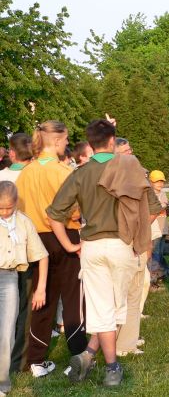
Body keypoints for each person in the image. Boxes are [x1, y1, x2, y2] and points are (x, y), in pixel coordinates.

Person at [47, 119, 162, 386]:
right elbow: (154, 209)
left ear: (90, 144)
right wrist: (138, 233)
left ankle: (88, 354)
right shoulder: (130, 169)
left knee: (103, 309)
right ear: (112, 142)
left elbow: (54, 215)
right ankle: (112, 368)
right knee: (113, 310)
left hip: (91, 246)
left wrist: (69, 245)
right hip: (122, 245)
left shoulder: (80, 172)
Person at [15, 121, 87, 378]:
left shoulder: (26, 173)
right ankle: (78, 355)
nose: (67, 144)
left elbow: (19, 210)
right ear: (57, 141)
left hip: (35, 240)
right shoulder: (63, 171)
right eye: (66, 139)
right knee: (72, 299)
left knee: (41, 299)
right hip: (65, 235)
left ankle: (35, 359)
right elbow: (76, 208)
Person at [0, 181, 48, 396]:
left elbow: (42, 255)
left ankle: (2, 382)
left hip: (9, 278)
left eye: (8, 207)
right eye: (0, 207)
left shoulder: (24, 223)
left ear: (16, 203)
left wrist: (41, 289)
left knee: (7, 332)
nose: (4, 212)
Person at [0, 134, 34, 374]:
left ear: (12, 153)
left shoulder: (2, 177)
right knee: (25, 306)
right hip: (28, 245)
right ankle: (18, 360)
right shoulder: (34, 176)